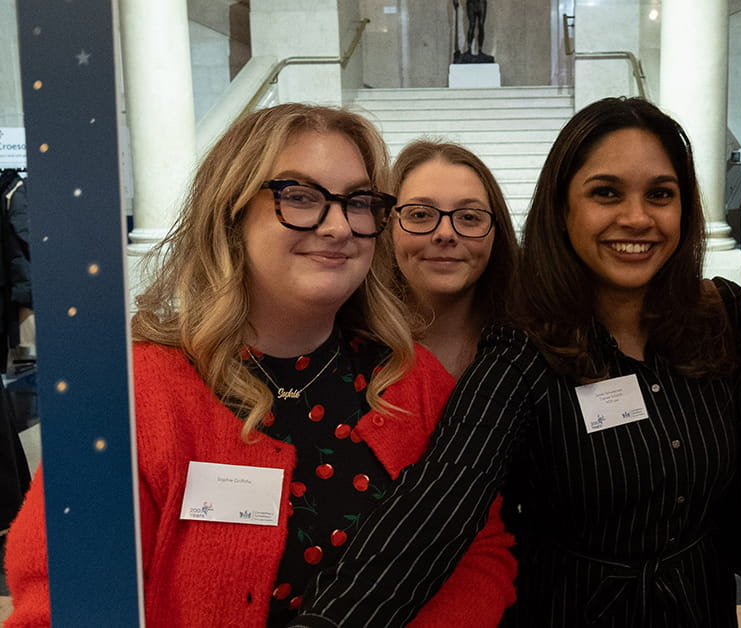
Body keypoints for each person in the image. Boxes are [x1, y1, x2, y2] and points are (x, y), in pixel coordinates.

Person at [291, 97, 741, 628]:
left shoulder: (724, 317)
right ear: (563, 209)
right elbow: (442, 499)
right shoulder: (522, 350)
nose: (637, 218)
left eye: (660, 194)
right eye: (606, 193)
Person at [4, 104, 516, 627]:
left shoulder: (411, 380)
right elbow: (61, 605)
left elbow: (480, 552)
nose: (338, 226)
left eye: (358, 202)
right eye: (300, 196)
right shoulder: (129, 394)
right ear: (232, 213)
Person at [373, 140, 518, 378]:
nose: (445, 234)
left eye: (469, 217)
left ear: (497, 232)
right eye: (420, 214)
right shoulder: (350, 346)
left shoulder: (534, 346)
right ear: (389, 227)